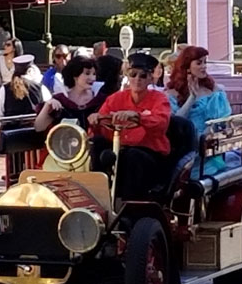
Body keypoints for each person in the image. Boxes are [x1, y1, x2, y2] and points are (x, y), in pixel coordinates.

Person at [89, 53, 171, 201]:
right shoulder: (116, 98)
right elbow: (101, 122)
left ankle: (131, 205)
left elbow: (161, 122)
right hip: (118, 149)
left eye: (143, 76)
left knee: (132, 156)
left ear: (150, 78)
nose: (137, 79)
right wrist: (95, 120)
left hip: (149, 154)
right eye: (133, 75)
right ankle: (98, 196)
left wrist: (138, 117)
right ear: (128, 75)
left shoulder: (159, 99)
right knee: (97, 144)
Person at [166, 46, 231, 175]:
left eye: (205, 62)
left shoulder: (213, 91)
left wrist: (205, 139)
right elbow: (176, 123)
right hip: (182, 149)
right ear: (187, 66)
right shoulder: (172, 93)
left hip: (208, 150)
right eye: (199, 63)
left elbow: (221, 121)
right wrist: (191, 98)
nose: (204, 66)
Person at [0, 54, 51, 140]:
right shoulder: (41, 88)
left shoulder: (4, 89)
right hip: (35, 135)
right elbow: (48, 110)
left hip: (11, 136)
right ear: (30, 70)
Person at [34, 55, 102, 133]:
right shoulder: (60, 99)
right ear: (75, 76)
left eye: (94, 74)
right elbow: (39, 127)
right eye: (87, 73)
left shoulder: (100, 99)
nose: (93, 78)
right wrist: (47, 105)